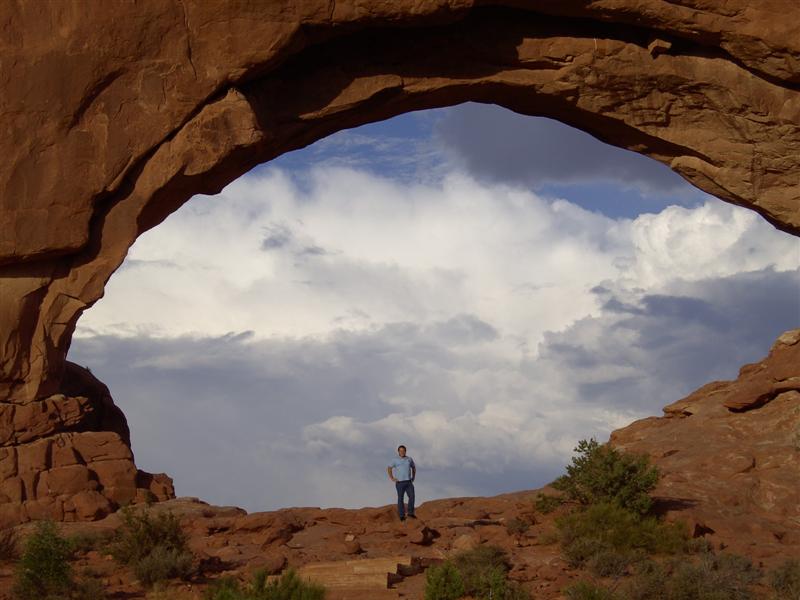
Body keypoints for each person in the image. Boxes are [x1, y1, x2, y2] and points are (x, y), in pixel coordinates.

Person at [387, 445, 416, 521]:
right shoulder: (395, 460)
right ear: (398, 452)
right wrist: (392, 478)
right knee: (400, 498)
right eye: (400, 451)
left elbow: (413, 467)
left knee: (412, 496)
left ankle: (410, 513)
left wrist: (413, 477)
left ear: (405, 451)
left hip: (409, 482)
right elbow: (389, 468)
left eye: (403, 450)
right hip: (399, 483)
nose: (402, 452)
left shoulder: (409, 459)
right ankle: (401, 516)